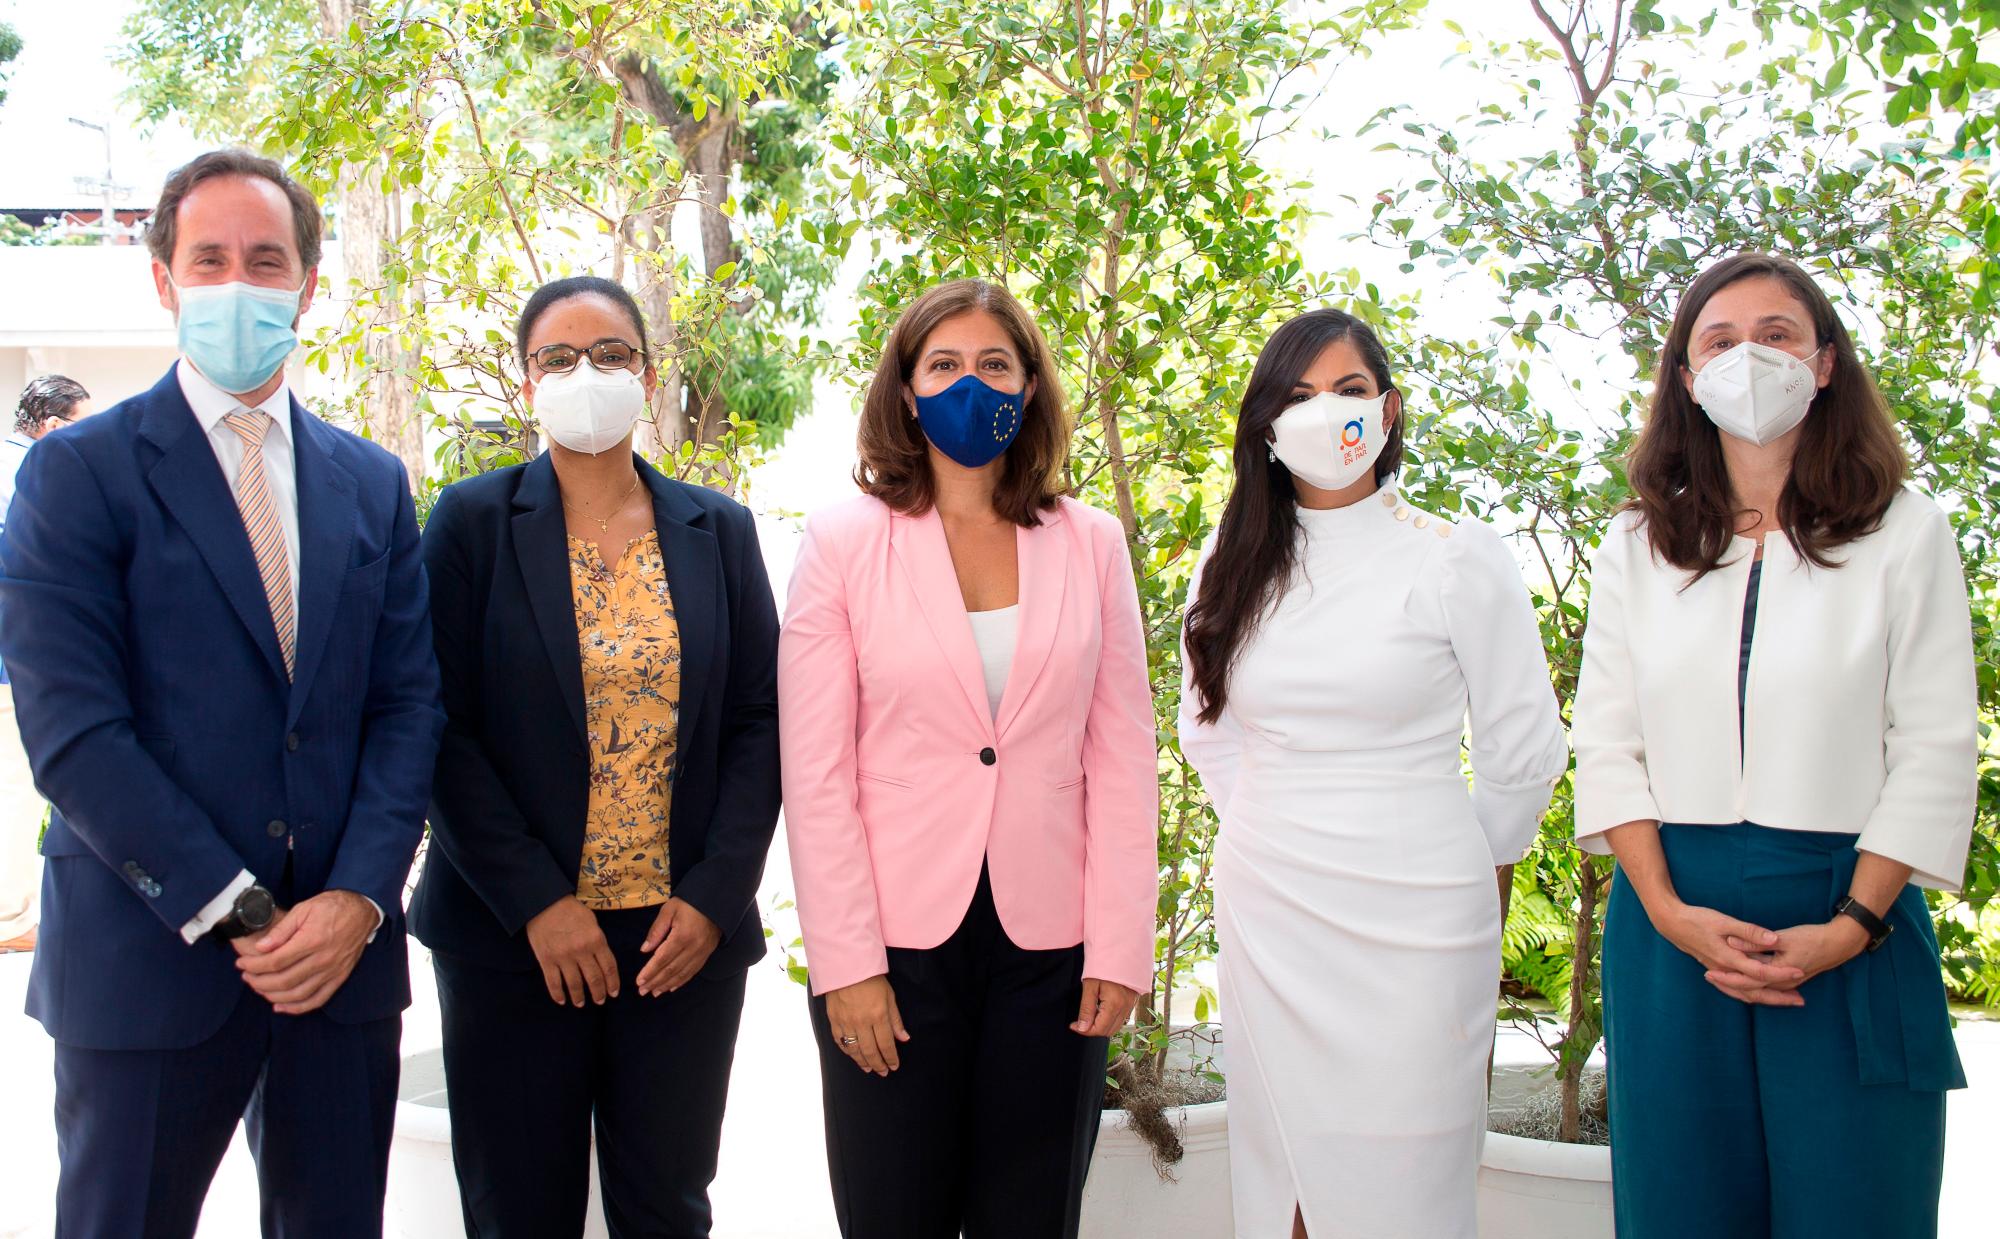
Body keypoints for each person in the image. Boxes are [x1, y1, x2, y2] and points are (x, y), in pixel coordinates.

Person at [0, 149, 443, 1237]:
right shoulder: (76, 474)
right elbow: (73, 732)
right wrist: (241, 911)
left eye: (266, 259)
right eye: (210, 259)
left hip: (342, 967)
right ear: (164, 280)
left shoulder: (370, 482)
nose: (238, 282)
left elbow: (405, 706)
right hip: (148, 961)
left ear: (307, 280)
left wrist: (356, 899)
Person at [1573, 252, 1973, 1237]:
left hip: (1849, 914)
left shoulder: (1904, 533)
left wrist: (1848, 926)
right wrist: (1664, 911)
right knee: (1680, 1210)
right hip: (1671, 925)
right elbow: (1607, 739)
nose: (1747, 356)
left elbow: (1932, 741)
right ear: (1682, 375)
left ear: (1824, 363)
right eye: (1718, 339)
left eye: (1776, 334)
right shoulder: (1635, 542)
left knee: (1856, 1206)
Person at [779, 277, 1157, 1238]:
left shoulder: (1092, 543)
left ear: (1029, 387)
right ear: (906, 390)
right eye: (942, 364)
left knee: (1030, 1218)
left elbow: (1122, 753)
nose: (969, 384)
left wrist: (1119, 941)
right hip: (894, 953)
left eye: (995, 364)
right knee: (892, 1214)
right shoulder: (842, 542)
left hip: (1053, 954)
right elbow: (815, 773)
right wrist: (846, 965)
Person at [1178, 308, 1567, 1238]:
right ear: (1266, 426)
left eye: (1349, 391)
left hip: (1422, 914)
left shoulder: (1454, 555)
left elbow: (1523, 741)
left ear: (1388, 412)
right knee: (1288, 1184)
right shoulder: (1230, 563)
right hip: (1272, 907)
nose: (1327, 415)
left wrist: (1478, 861)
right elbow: (1207, 730)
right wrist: (1280, 820)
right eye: (1299, 396)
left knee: (1410, 1181)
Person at [411, 274, 782, 1238]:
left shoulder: (718, 529)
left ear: (646, 372)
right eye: (559, 357)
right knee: (518, 1209)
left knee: (666, 1207)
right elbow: (435, 724)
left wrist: (715, 896)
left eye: (611, 354)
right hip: (514, 937)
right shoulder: (470, 523)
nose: (587, 374)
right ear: (527, 378)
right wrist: (537, 900)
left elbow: (758, 720)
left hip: (677, 945)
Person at [0, 373, 92, 953]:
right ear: (54, 428)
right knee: (14, 789)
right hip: (13, 668)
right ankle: (10, 922)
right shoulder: (33, 474)